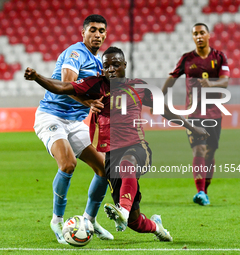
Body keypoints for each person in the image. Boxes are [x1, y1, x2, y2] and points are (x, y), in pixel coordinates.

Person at [24, 46, 209, 241]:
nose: (111, 69)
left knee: (127, 164)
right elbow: (62, 87)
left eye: (116, 65)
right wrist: (37, 77)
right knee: (136, 223)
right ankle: (156, 226)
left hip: (137, 148)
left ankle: (122, 211)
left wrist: (192, 127)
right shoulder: (96, 85)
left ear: (125, 65)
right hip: (111, 155)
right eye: (106, 66)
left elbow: (165, 110)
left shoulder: (138, 87)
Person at [31, 14, 113, 244]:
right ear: (83, 33)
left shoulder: (98, 64)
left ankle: (89, 220)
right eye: (93, 30)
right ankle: (57, 220)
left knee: (105, 169)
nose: (98, 34)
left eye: (101, 31)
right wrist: (87, 102)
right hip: (51, 116)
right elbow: (68, 84)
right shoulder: (75, 53)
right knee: (68, 163)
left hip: (75, 122)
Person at [161, 23, 230, 206]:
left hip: (215, 114)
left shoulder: (219, 57)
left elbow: (225, 81)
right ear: (192, 37)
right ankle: (200, 191)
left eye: (202, 33)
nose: (198, 36)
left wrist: (211, 85)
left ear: (209, 35)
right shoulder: (187, 59)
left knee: (210, 152)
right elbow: (172, 78)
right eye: (195, 34)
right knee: (199, 150)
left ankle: (204, 191)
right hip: (194, 114)